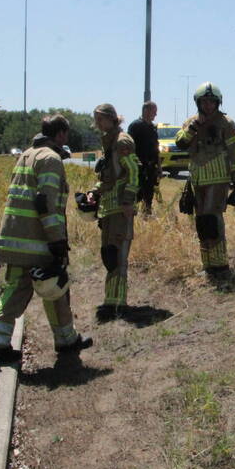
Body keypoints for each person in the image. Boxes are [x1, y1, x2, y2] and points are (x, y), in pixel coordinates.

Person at [0, 114, 92, 362]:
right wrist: (56, 240)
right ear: (61, 134)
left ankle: (64, 339)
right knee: (51, 285)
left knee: (42, 287)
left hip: (16, 234)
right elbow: (46, 202)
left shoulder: (26, 154)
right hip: (38, 240)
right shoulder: (51, 159)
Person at [174, 82, 235, 279]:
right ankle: (208, 266)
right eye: (204, 101)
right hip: (197, 180)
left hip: (218, 178)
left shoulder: (226, 123)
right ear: (198, 102)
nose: (208, 105)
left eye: (212, 102)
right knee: (201, 222)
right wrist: (194, 127)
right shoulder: (190, 122)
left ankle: (221, 266)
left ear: (218, 103)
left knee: (212, 220)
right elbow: (180, 142)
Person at [88, 103, 140, 321]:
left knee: (117, 255)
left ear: (111, 118)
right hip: (108, 209)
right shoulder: (109, 142)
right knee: (109, 255)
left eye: (101, 119)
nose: (98, 123)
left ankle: (119, 303)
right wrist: (94, 192)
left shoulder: (122, 141)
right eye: (96, 119)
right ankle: (111, 300)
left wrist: (128, 201)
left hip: (121, 208)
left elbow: (134, 172)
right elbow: (110, 177)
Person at [127, 101, 160, 216]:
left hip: (151, 167)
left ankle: (147, 214)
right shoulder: (135, 126)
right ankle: (131, 214)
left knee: (149, 193)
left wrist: (158, 166)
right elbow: (129, 146)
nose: (155, 115)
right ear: (146, 111)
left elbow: (156, 148)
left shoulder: (152, 127)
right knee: (137, 193)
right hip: (138, 167)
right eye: (154, 112)